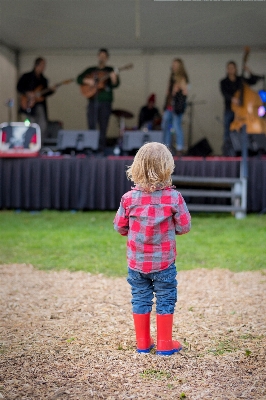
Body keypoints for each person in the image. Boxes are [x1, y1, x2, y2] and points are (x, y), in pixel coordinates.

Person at [113, 142, 191, 356]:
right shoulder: (174, 198)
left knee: (140, 297)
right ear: (167, 167)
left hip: (137, 263)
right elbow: (184, 227)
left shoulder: (128, 199)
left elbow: (119, 227)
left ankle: (143, 344)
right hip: (164, 262)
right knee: (165, 298)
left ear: (137, 167)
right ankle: (165, 344)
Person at [77, 48, 120, 155]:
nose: (102, 58)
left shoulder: (110, 69)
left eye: (104, 56)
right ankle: (91, 147)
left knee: (103, 126)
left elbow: (116, 84)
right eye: (101, 56)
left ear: (107, 58)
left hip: (105, 102)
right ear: (98, 57)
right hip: (92, 101)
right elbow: (79, 79)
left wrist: (114, 78)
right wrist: (89, 81)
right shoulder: (91, 70)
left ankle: (101, 149)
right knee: (91, 125)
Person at [220, 61, 261, 155]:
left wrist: (249, 71)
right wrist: (232, 99)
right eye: (229, 68)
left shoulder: (241, 80)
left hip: (244, 111)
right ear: (227, 69)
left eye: (232, 68)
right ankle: (227, 151)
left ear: (236, 69)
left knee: (244, 130)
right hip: (230, 109)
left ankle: (244, 149)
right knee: (227, 129)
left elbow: (253, 81)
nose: (231, 69)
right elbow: (224, 93)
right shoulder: (224, 82)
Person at [17, 57, 55, 144]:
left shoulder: (43, 80)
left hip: (40, 105)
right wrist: (28, 93)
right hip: (29, 105)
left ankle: (39, 145)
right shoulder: (26, 76)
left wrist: (51, 90)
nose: (44, 67)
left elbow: (44, 94)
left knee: (43, 125)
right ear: (37, 65)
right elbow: (19, 87)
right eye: (42, 65)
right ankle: (28, 143)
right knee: (30, 123)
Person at [162, 58, 189, 155]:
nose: (174, 67)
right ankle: (166, 146)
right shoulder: (172, 77)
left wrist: (178, 90)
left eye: (176, 65)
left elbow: (185, 93)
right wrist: (165, 107)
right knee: (167, 125)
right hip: (170, 106)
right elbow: (168, 94)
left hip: (177, 107)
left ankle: (179, 147)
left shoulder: (182, 78)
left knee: (176, 125)